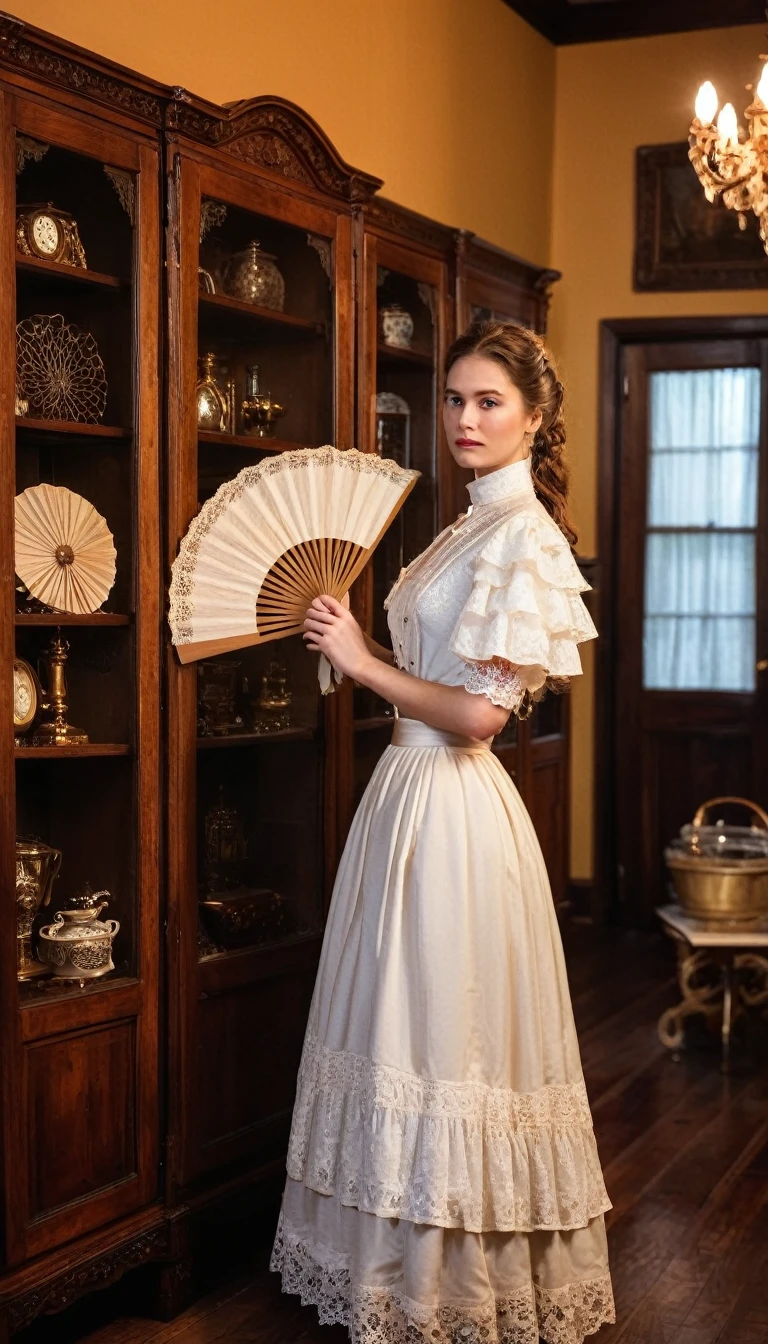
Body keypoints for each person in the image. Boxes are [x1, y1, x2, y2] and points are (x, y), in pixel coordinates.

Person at [269, 319, 615, 1344]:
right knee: (389, 1029)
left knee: (443, 1036)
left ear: (536, 417)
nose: (465, 419)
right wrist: (351, 640)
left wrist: (366, 661)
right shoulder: (459, 525)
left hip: (458, 809)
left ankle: (442, 1289)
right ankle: (385, 1271)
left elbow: (480, 716)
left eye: (489, 402)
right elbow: (430, 681)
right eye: (456, 399)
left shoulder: (527, 538)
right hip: (402, 804)